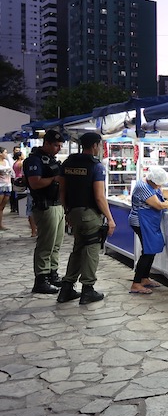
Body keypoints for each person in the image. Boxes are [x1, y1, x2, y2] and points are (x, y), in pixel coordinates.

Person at [57, 132, 116, 304]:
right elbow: (99, 196)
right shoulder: (95, 166)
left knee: (78, 248)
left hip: (73, 211)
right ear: (96, 145)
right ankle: (87, 289)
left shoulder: (68, 163)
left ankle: (67, 288)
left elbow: (62, 190)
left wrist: (67, 211)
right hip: (89, 213)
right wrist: (110, 219)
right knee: (91, 250)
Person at [23, 130, 66, 294]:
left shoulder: (52, 160)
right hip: (45, 206)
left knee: (56, 244)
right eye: (56, 145)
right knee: (46, 245)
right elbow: (35, 183)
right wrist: (54, 179)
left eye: (60, 145)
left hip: (57, 205)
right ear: (46, 143)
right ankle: (41, 280)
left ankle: (52, 274)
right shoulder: (34, 160)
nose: (58, 148)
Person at [128, 166, 168, 295]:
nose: (159, 187)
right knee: (148, 252)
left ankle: (144, 278)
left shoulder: (151, 183)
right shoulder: (143, 187)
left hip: (149, 222)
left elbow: (162, 193)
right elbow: (158, 205)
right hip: (141, 222)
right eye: (158, 184)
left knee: (151, 249)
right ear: (152, 181)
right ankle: (136, 283)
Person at [0, 147, 12, 230]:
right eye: (5, 152)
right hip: (0, 185)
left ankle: (0, 224)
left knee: (2, 206)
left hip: (7, 185)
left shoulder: (7, 162)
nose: (6, 154)